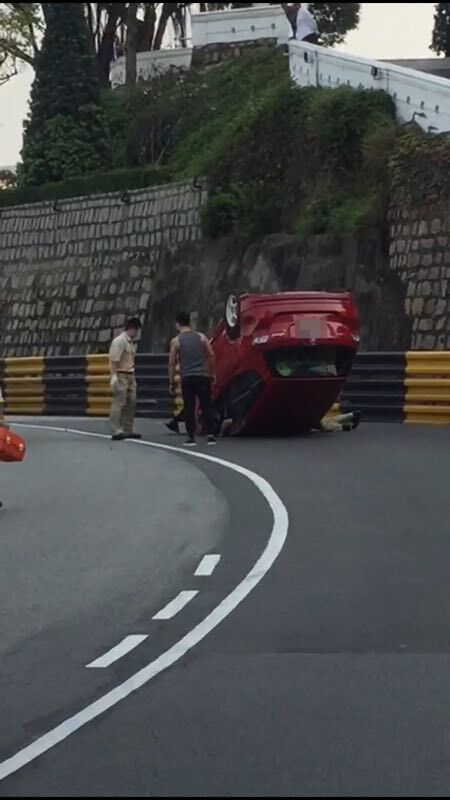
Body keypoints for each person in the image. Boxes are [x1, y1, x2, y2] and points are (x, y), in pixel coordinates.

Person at [169, 312, 216, 447]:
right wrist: (212, 373)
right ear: (189, 322)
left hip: (187, 377)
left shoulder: (176, 341)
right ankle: (211, 434)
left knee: (189, 406)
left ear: (177, 324)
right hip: (203, 375)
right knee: (206, 404)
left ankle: (191, 436)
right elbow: (211, 354)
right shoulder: (201, 337)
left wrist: (172, 381)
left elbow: (172, 362)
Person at [109, 317, 142, 442]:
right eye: (136, 330)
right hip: (121, 374)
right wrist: (113, 376)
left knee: (131, 402)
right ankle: (116, 429)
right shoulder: (119, 341)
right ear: (132, 329)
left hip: (130, 375)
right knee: (119, 402)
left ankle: (128, 429)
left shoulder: (130, 342)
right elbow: (114, 360)